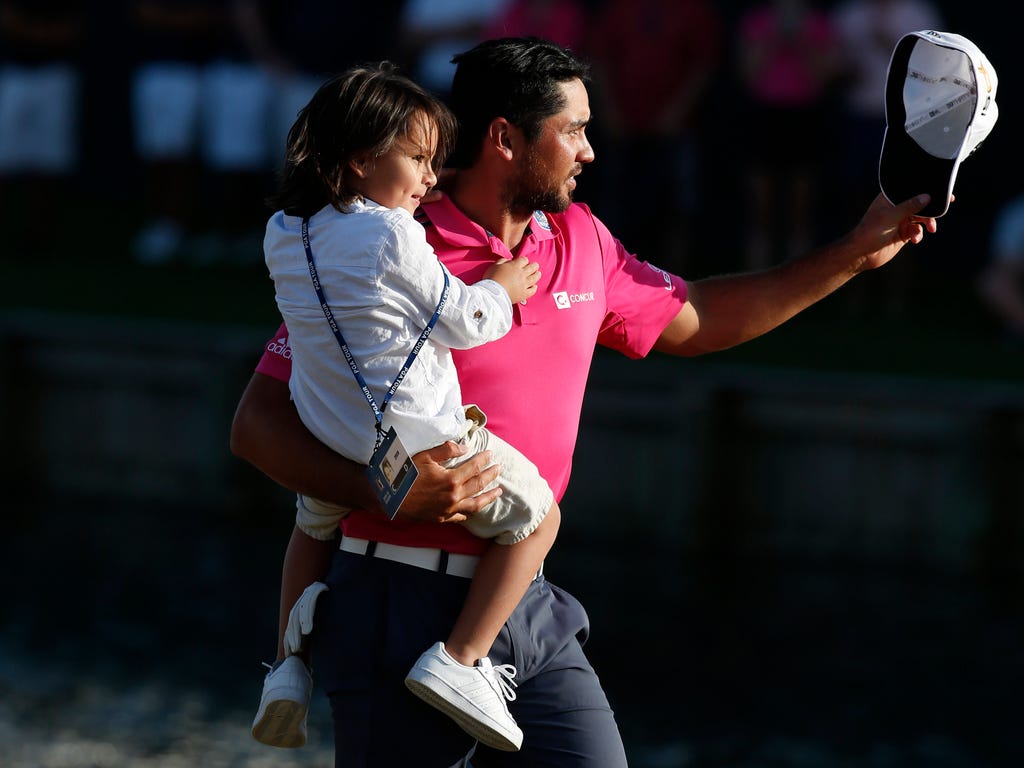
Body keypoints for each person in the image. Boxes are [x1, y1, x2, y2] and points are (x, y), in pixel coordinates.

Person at [229, 36, 942, 767]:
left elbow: (700, 319)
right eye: (571, 129)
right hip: (395, 599)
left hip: (525, 606)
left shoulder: (582, 238)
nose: (590, 150)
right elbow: (258, 425)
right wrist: (384, 493)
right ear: (505, 138)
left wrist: (857, 250)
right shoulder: (386, 245)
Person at [250, 62, 561, 754]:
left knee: (314, 518)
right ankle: (459, 660)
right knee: (539, 515)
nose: (428, 180)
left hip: (332, 439)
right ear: (361, 159)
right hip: (422, 442)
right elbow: (465, 320)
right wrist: (504, 285)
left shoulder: (283, 232)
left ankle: (285, 667)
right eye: (418, 160)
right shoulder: (394, 233)